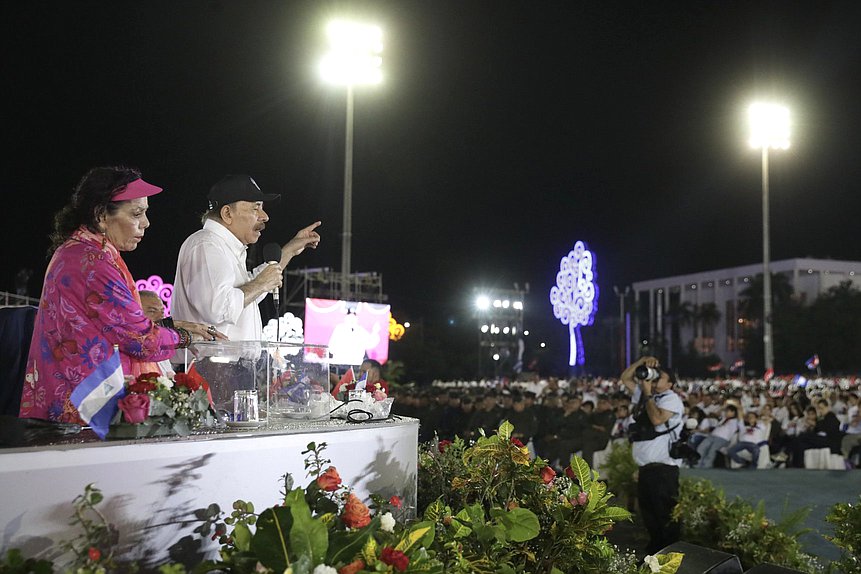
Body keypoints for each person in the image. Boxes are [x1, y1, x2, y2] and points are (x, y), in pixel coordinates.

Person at [19, 166, 224, 423]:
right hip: (85, 409)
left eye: (145, 213)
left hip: (73, 399)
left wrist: (172, 327)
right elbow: (141, 340)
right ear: (101, 215)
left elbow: (116, 326)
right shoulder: (92, 262)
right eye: (137, 214)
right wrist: (185, 336)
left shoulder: (80, 252)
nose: (146, 223)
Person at [172, 174, 321, 341]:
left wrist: (291, 249)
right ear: (227, 213)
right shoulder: (207, 245)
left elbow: (246, 296)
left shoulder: (224, 247)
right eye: (255, 208)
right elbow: (219, 308)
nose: (265, 216)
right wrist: (260, 283)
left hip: (225, 365)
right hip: (207, 365)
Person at [620, 356, 685, 555]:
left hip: (663, 469)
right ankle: (656, 555)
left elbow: (657, 419)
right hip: (647, 469)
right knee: (649, 516)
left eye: (659, 378)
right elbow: (625, 378)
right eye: (654, 378)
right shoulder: (647, 395)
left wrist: (647, 393)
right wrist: (641, 363)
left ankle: (671, 556)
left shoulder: (671, 398)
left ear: (671, 383)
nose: (655, 381)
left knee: (665, 516)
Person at [138, 290, 176, 377]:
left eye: (162, 312)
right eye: (152, 311)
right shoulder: (132, 349)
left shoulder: (162, 349)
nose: (160, 317)